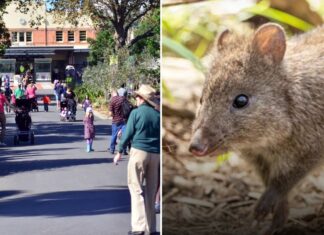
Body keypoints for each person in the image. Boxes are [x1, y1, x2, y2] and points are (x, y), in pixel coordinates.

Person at [114, 84, 160, 235]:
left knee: (136, 189)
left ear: (142, 99)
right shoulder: (158, 115)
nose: (136, 99)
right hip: (155, 155)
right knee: (151, 191)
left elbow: (128, 133)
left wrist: (119, 151)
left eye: (138, 97)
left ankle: (139, 227)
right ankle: (152, 228)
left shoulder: (136, 113)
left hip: (139, 152)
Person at [108, 89, 127, 154]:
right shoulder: (123, 99)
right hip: (124, 120)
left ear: (112, 94)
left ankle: (112, 149)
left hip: (116, 121)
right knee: (124, 135)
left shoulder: (112, 100)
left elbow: (110, 113)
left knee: (114, 136)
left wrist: (113, 114)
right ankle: (124, 150)